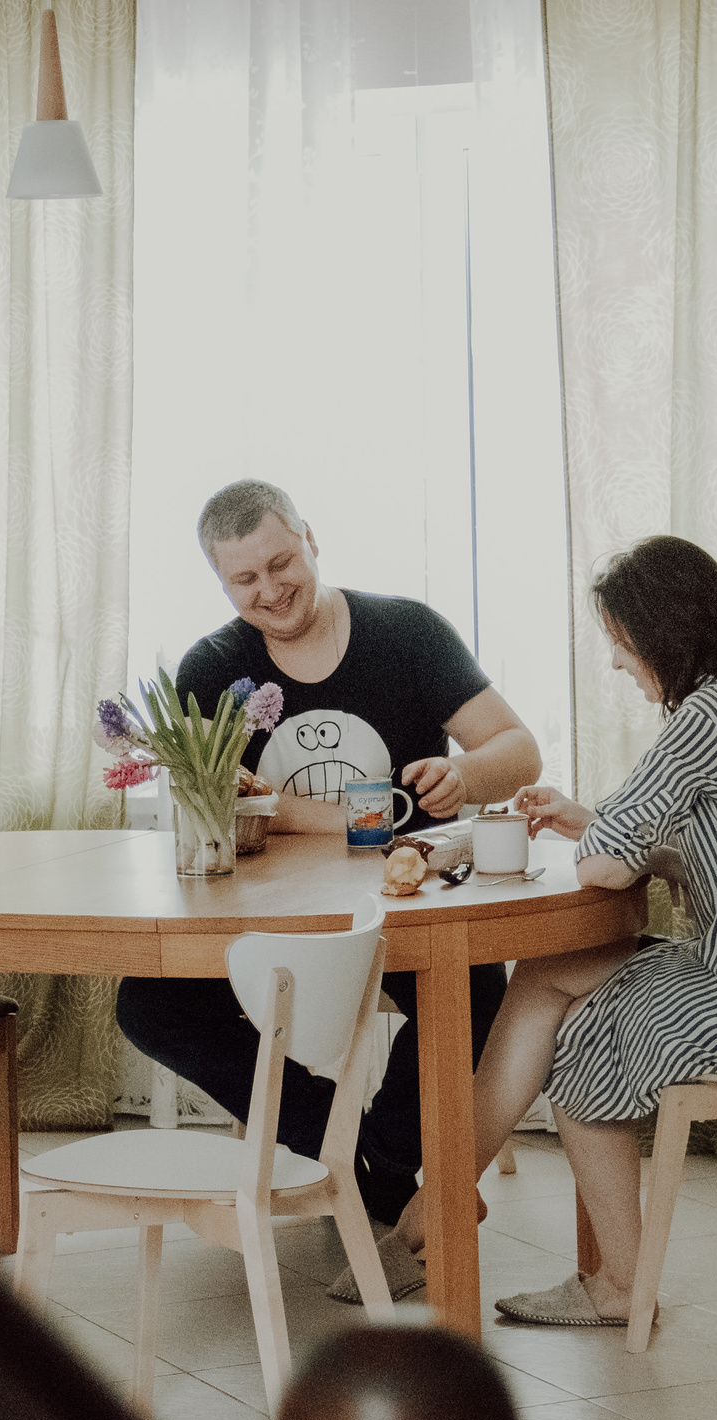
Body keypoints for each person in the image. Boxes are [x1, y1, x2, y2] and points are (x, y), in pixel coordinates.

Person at [398, 534, 717, 1327]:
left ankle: (611, 1282)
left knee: (581, 1043)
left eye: (621, 642)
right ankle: (440, 1201)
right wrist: (587, 819)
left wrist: (596, 833)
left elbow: (605, 870)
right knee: (546, 973)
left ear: (661, 635)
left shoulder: (707, 717)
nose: (618, 663)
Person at [114, 478, 543, 1300]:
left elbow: (517, 749)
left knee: (476, 990)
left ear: (311, 538)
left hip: (404, 907)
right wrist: (344, 814)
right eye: (246, 581)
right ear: (221, 583)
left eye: (283, 563)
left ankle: (363, 1154)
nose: (271, 591)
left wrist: (464, 770)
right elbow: (215, 806)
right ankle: (367, 1166)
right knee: (149, 1002)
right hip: (268, 921)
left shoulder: (406, 631)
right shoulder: (214, 665)